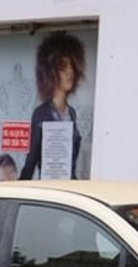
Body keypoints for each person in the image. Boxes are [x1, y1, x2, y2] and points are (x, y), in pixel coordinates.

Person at [20, 30, 88, 181]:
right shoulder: (41, 114)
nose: (69, 72)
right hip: (49, 189)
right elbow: (31, 158)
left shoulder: (71, 113)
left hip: (69, 189)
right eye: (63, 67)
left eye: (71, 66)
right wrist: (19, 190)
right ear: (51, 72)